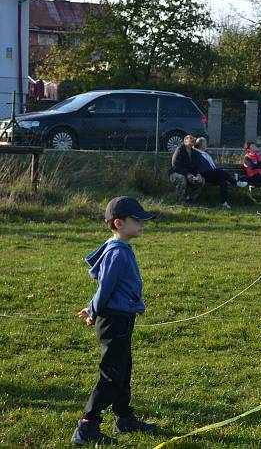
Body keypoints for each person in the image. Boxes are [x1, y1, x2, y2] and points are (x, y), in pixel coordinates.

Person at [72, 196, 158, 445]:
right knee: (111, 374)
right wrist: (93, 310)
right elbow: (106, 287)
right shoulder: (117, 253)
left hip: (121, 318)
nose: (143, 224)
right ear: (119, 223)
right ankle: (87, 425)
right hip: (114, 321)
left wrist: (93, 308)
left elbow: (109, 288)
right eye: (137, 220)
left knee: (124, 369)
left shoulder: (120, 248)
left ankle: (123, 418)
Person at [194, 137, 248, 209]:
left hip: (212, 174)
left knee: (222, 180)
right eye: (205, 144)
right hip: (204, 174)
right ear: (200, 145)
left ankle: (224, 203)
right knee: (219, 171)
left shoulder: (206, 153)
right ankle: (236, 182)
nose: (206, 145)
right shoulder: (196, 153)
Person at [169, 134, 205, 203]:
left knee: (201, 180)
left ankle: (190, 200)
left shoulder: (194, 152)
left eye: (194, 138)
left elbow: (196, 167)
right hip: (175, 173)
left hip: (189, 174)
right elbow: (175, 166)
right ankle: (179, 201)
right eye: (190, 138)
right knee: (182, 178)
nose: (193, 139)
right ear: (185, 141)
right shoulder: (179, 150)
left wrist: (198, 175)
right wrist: (187, 174)